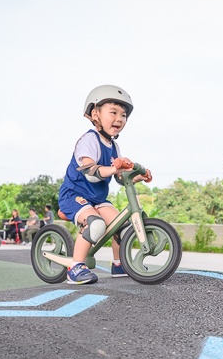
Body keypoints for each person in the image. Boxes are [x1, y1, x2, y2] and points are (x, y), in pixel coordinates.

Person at [57, 85, 152, 284]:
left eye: (123, 115)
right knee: (96, 224)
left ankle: (119, 264)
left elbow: (118, 177)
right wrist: (115, 167)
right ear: (95, 114)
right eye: (113, 112)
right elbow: (91, 172)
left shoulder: (114, 146)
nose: (119, 118)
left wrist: (136, 176)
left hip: (97, 199)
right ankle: (75, 267)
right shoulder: (89, 140)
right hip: (74, 195)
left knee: (122, 225)